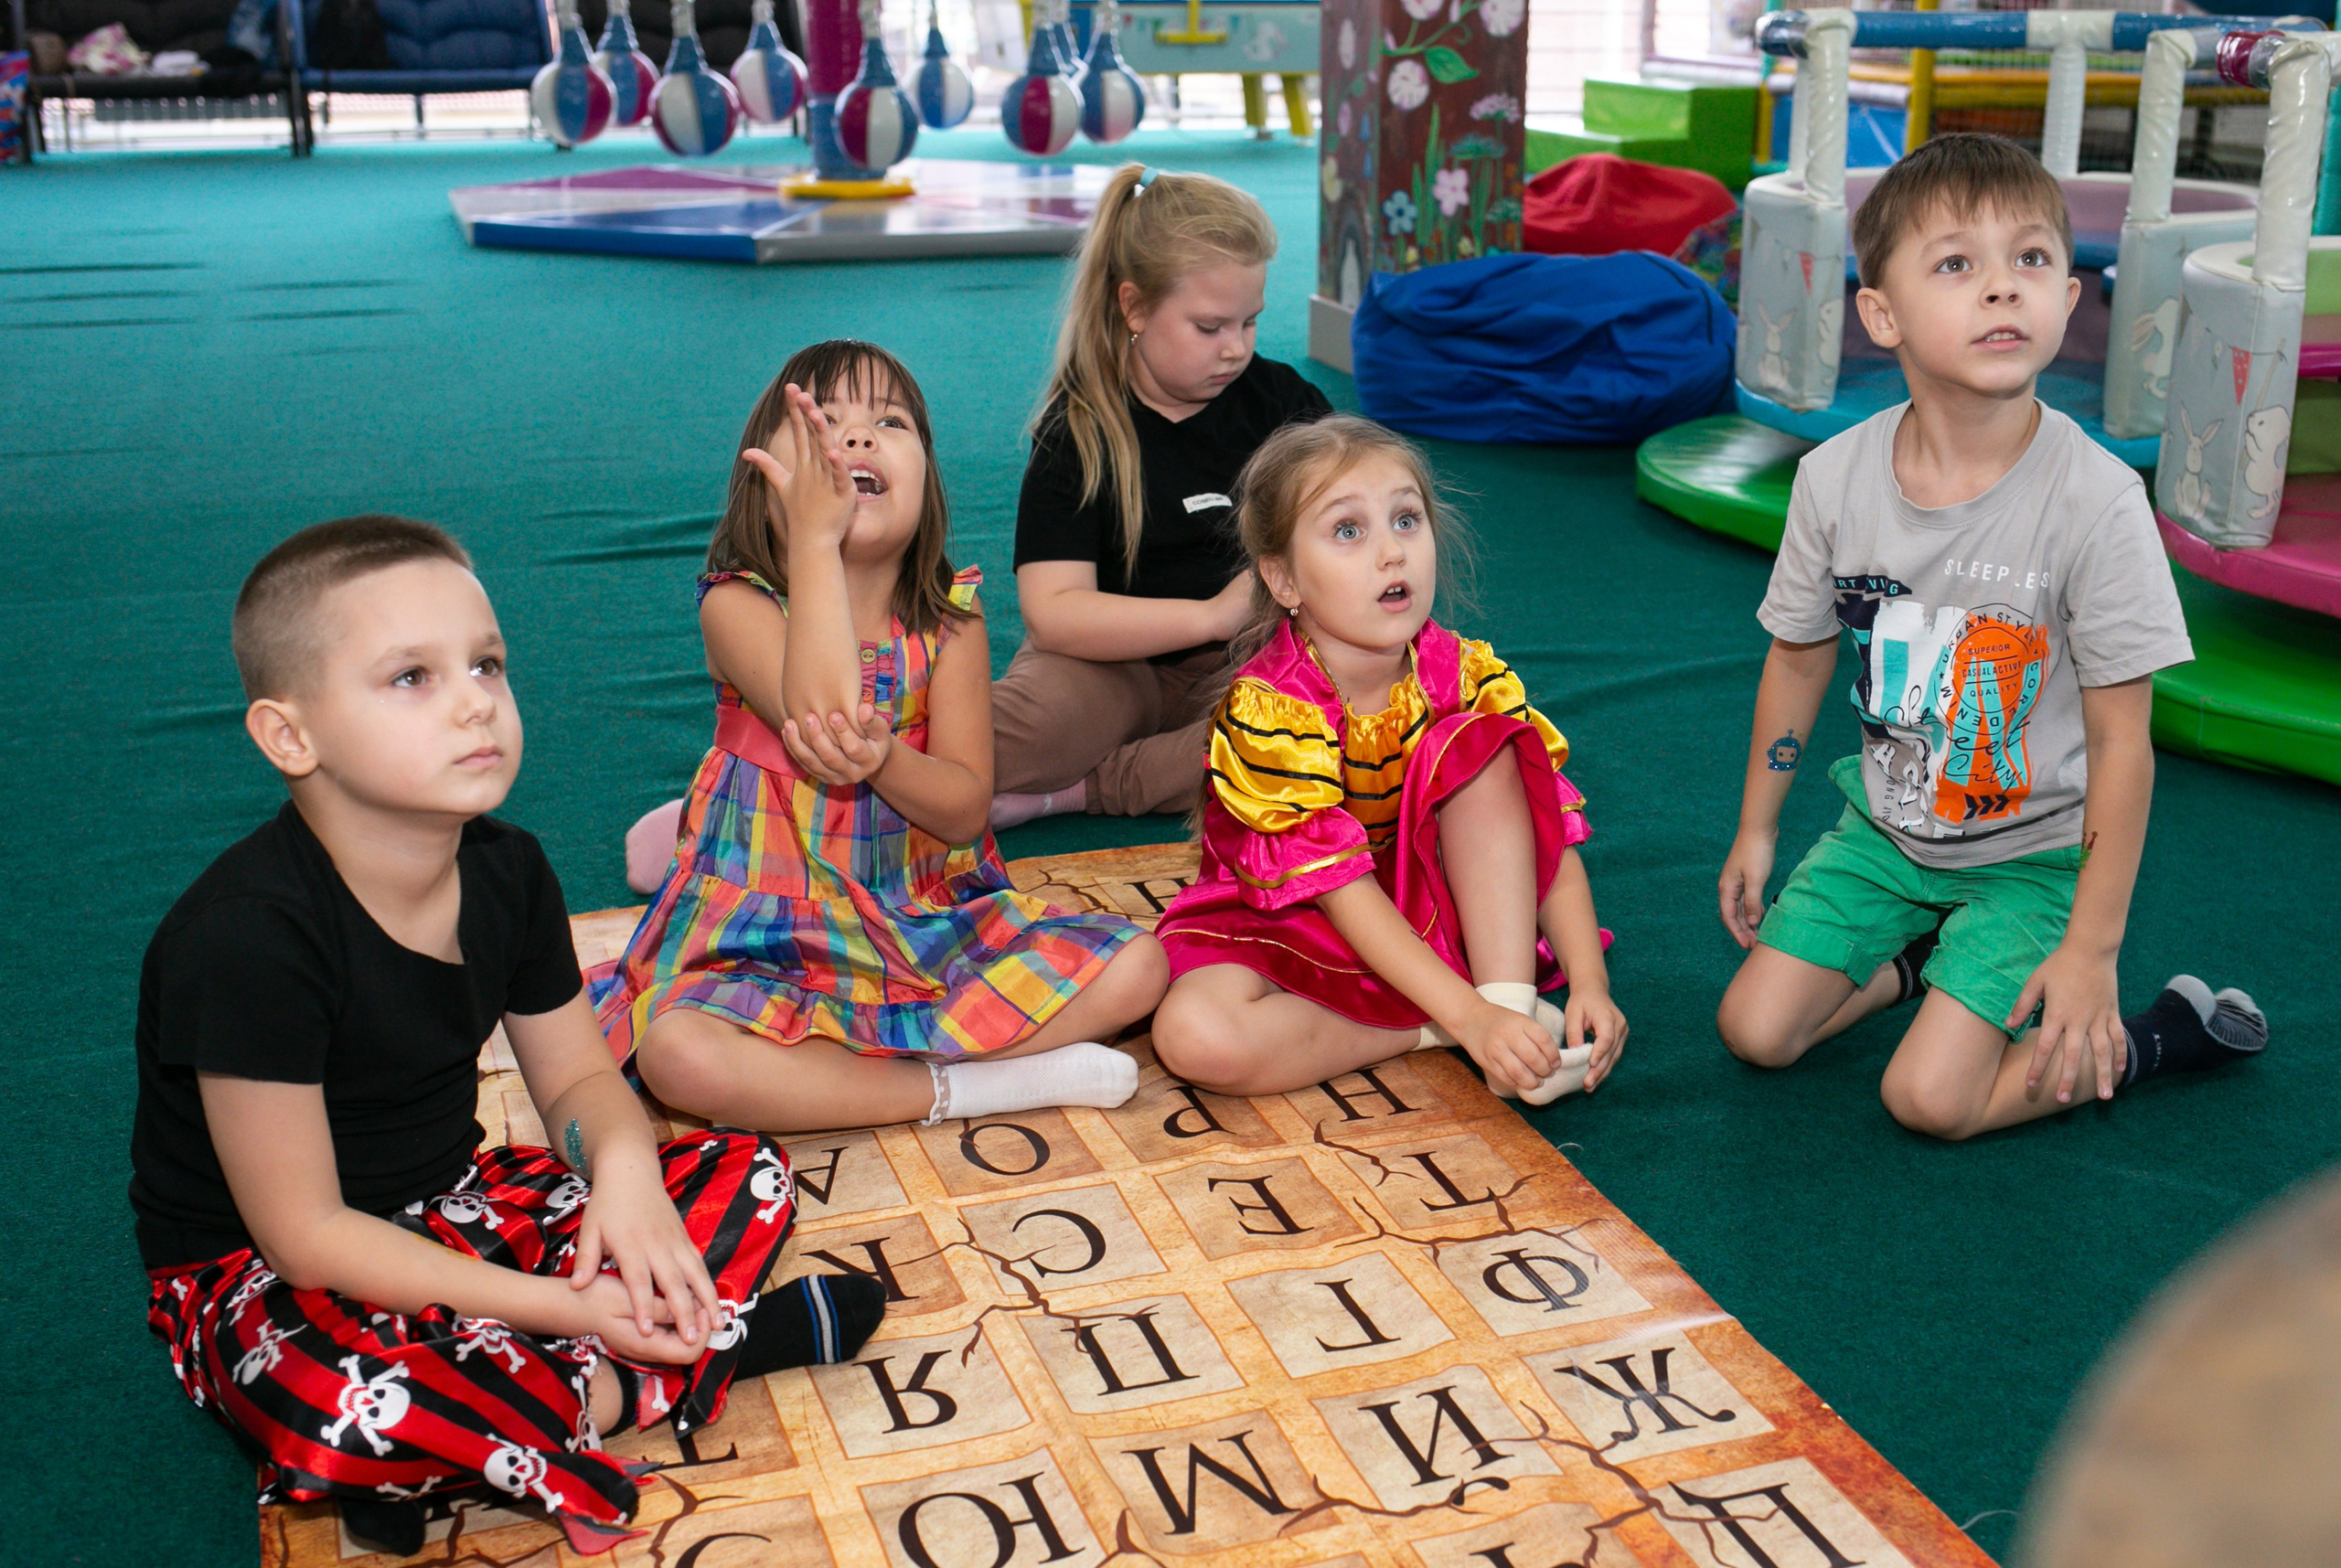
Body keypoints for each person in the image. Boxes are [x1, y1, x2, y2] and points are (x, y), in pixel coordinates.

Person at [132, 517, 881, 1560]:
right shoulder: (248, 939)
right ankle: (668, 1361)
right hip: (263, 1271)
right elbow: (307, 1233)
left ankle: (512, 1412)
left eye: (486, 662)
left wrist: (621, 1171)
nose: (475, 698)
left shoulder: (509, 869)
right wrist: (573, 1300)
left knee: (741, 1168)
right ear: (289, 735)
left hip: (450, 1206)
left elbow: (575, 1072)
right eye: (411, 678)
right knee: (345, 1402)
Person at [1713, 134, 2268, 1139]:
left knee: (1928, 1100)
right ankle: (1918, 959)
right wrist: (1758, 824)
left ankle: (2163, 1035)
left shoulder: (2096, 501)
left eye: (2031, 261)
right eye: (1957, 265)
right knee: (1754, 1030)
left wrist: (2092, 950)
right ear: (1880, 314)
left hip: (2038, 857)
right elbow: (1796, 653)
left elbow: (2119, 745)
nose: (2003, 289)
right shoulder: (1833, 479)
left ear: (2067, 297)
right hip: (1886, 835)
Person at [602, 341, 1167, 1134]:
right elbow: (824, 714)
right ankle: (969, 1086)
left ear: (929, 478)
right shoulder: (738, 605)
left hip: (920, 922)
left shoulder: (951, 623)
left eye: (889, 422)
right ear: (766, 485)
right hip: (765, 940)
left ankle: (848, 1077)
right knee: (678, 1056)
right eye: (825, 425)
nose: (858, 439)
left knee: (1141, 965)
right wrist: (814, 542)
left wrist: (889, 758)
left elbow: (967, 809)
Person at [1149, 415, 1627, 1103]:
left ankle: (1508, 1003)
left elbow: (1546, 836)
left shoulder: (1467, 675)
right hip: (1290, 914)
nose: (1391, 554)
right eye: (1349, 531)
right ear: (1283, 580)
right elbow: (1339, 891)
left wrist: (1589, 982)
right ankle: (1450, 1026)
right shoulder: (1272, 708)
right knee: (1195, 1035)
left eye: (1407, 519)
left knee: (1484, 749)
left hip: (1435, 908)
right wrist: (1464, 1017)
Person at [989, 162, 1335, 830]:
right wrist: (1209, 615)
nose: (1235, 349)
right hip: (1108, 663)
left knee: (1314, 728)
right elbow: (1053, 614)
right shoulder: (1080, 431)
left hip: (1250, 663)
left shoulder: (1285, 404)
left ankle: (1080, 790)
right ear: (1134, 307)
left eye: (1250, 323)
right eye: (1210, 327)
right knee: (992, 739)